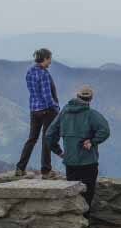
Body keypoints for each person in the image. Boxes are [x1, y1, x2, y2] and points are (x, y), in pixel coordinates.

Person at [45, 85, 110, 217]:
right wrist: (92, 141)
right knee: (87, 194)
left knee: (73, 195)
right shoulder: (92, 115)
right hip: (88, 162)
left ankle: (75, 225)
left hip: (70, 163)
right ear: (90, 99)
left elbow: (49, 135)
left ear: (77, 96)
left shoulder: (64, 113)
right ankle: (85, 226)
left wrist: (59, 151)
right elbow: (105, 130)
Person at [15, 48, 63, 179]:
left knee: (32, 139)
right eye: (49, 59)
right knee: (46, 139)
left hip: (34, 110)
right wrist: (56, 108)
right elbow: (48, 97)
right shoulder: (44, 74)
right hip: (47, 111)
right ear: (45, 58)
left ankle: (20, 168)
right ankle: (46, 171)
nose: (50, 62)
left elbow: (33, 92)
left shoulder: (30, 72)